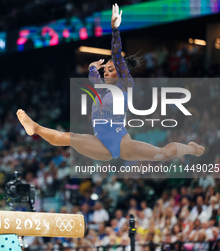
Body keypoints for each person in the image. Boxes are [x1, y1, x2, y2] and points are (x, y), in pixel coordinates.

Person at [16, 4, 205, 162]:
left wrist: (115, 30)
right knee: (69, 138)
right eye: (105, 69)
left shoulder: (125, 85)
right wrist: (92, 68)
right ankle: (35, 128)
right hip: (100, 143)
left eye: (111, 69)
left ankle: (191, 149)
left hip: (121, 143)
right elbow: (93, 76)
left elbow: (116, 55)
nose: (106, 71)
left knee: (163, 154)